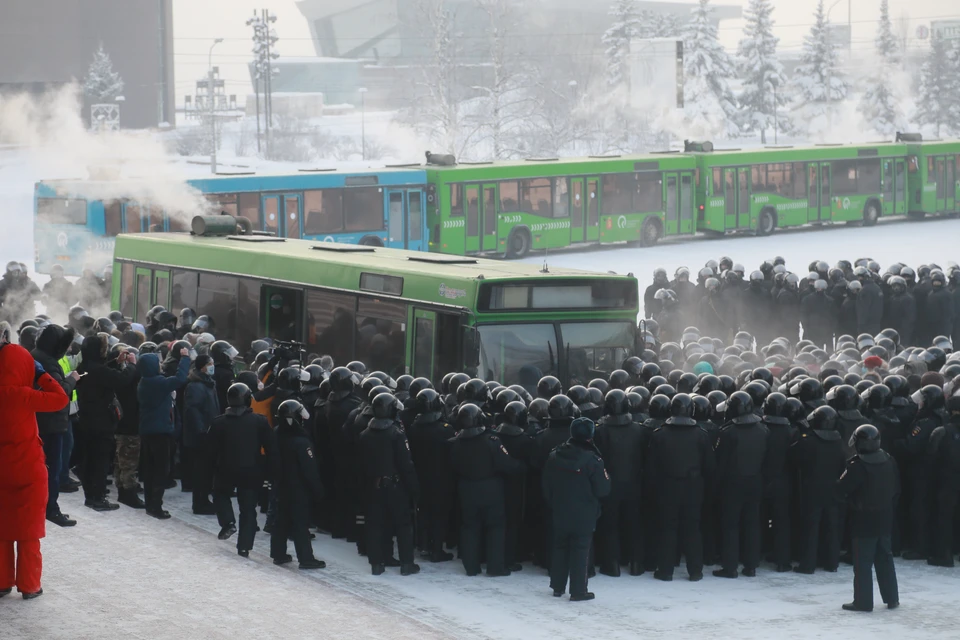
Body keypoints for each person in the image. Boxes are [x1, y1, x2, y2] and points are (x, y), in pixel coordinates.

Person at [0, 341, 69, 600]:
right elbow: (61, 398)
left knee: (1, 527)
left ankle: (2, 581)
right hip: (28, 468)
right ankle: (29, 585)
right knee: (28, 531)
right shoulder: (24, 395)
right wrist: (41, 375)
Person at [541, 417, 610, 601]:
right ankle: (578, 590)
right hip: (584, 513)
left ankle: (557, 586)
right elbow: (603, 489)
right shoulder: (594, 460)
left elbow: (546, 485)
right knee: (580, 551)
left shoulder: (555, 455)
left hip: (560, 510)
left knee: (560, 547)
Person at [648, 393, 715, 582]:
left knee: (667, 528)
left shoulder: (660, 434)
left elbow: (652, 467)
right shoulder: (701, 435)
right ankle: (695, 571)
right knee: (692, 529)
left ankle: (666, 570)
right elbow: (709, 466)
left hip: (667, 487)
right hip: (693, 488)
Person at [836, 425, 900, 612]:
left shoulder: (857, 466)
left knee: (862, 563)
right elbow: (897, 489)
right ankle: (892, 598)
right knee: (885, 558)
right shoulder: (889, 460)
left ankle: (863, 602)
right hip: (885, 516)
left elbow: (841, 490)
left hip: (863, 519)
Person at [209, 383, 275, 557]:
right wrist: (269, 468)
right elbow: (271, 448)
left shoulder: (219, 422)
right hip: (251, 470)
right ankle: (244, 546)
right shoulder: (259, 421)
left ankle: (228, 522)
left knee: (220, 494)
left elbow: (210, 449)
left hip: (225, 469)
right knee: (248, 509)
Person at [359, 393, 420, 576]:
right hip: (395, 486)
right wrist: (414, 489)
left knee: (376, 525)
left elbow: (361, 465)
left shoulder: (364, 434)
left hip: (373, 486)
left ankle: (378, 563)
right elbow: (406, 464)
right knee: (402, 525)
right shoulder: (396, 434)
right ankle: (406, 564)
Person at [75, 334, 137, 511]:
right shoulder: (98, 370)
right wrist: (131, 365)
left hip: (86, 419)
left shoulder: (84, 367)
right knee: (100, 461)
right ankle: (98, 497)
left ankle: (91, 496)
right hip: (101, 421)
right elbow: (121, 379)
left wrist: (115, 362)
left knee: (90, 459)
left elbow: (99, 373)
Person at [714, 391, 769, 579]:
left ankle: (730, 567)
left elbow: (721, 462)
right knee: (752, 524)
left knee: (731, 526)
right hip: (755, 481)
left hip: (733, 484)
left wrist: (717, 486)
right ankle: (751, 565)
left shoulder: (728, 432)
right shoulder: (763, 429)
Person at [30, 324, 79, 527]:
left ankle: (40, 506)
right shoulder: (48, 363)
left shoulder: (36, 355)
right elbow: (58, 393)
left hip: (41, 421)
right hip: (51, 423)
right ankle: (51, 508)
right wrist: (72, 380)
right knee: (52, 468)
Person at [594, 389, 645, 577]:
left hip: (610, 484)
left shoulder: (600, 431)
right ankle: (636, 563)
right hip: (633, 483)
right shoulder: (639, 429)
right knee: (634, 524)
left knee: (610, 524)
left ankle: (612, 564)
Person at [790, 406, 847, 574]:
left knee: (811, 526)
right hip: (834, 488)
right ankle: (831, 562)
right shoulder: (838, 441)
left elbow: (793, 457)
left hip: (812, 488)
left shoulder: (809, 441)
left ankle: (807, 564)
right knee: (832, 526)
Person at [270, 400, 326, 570]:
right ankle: (306, 558)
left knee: (281, 520)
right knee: (300, 523)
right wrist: (318, 491)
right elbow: (310, 470)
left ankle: (278, 553)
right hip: (298, 488)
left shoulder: (276, 433)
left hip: (280, 484)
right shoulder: (302, 442)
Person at [137, 347, 191, 519]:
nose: (160, 365)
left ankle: (150, 503)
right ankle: (156, 506)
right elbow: (181, 378)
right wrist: (185, 359)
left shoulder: (145, 381)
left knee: (150, 469)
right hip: (160, 432)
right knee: (161, 470)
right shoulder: (158, 383)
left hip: (147, 430)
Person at [406, 389, 455, 563]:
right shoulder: (445, 430)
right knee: (439, 514)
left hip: (420, 476)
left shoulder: (414, 427)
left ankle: (424, 545)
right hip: (441, 478)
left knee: (424, 512)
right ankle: (436, 550)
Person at [925, 394, 960, 567]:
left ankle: (944, 555)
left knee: (944, 518)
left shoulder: (942, 431)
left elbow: (930, 459)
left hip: (947, 481)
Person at [183, 355, 221, 515]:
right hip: (202, 435)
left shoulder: (208, 384)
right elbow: (193, 410)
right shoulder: (196, 386)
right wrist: (202, 431)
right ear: (202, 367)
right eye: (210, 363)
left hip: (208, 431)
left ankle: (204, 500)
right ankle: (200, 503)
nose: (212, 366)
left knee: (206, 471)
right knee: (201, 471)